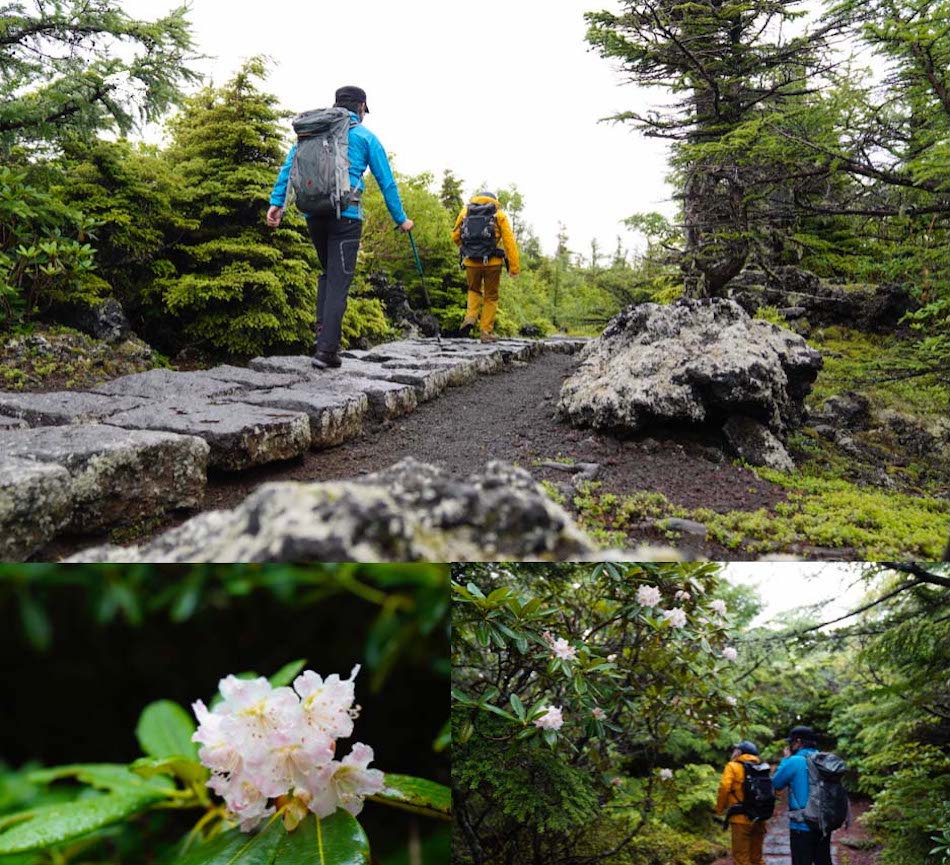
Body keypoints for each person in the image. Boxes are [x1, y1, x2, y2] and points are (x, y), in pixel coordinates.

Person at [267, 85, 413, 368]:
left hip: (314, 215)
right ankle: (326, 351)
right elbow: (387, 182)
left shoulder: (313, 133)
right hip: (346, 218)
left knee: (327, 275)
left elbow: (288, 168)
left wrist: (276, 204)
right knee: (338, 281)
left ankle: (322, 339)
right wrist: (401, 220)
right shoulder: (364, 137)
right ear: (361, 108)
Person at [451, 190, 520, 343]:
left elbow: (455, 236)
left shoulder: (465, 211)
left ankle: (470, 317)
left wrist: (468, 249)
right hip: (493, 262)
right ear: (494, 200)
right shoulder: (499, 214)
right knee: (491, 296)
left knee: (473, 290)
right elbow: (509, 242)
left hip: (471, 262)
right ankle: (485, 331)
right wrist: (514, 267)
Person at [772, 725, 835, 865]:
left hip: (801, 825)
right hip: (823, 823)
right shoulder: (824, 760)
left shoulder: (794, 761)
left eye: (791, 742)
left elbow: (776, 783)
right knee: (823, 861)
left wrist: (786, 759)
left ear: (798, 742)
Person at [716, 740, 769, 865]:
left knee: (741, 859)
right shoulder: (761, 767)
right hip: (759, 818)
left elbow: (724, 787)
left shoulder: (733, 766)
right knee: (757, 858)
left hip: (740, 819)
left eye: (735, 749)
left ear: (739, 752)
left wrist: (720, 808)